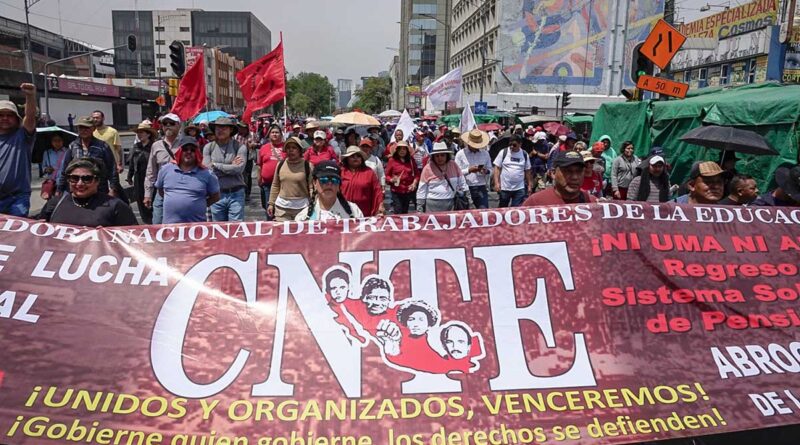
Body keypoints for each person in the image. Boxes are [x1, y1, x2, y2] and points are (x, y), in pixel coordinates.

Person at [40, 159, 137, 227]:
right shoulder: (55, 204)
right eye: (74, 178)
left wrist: (109, 236)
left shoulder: (115, 206)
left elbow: (134, 238)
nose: (80, 183)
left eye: (87, 179)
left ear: (97, 181)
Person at [154, 137, 220, 224]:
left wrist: (199, 204)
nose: (189, 152)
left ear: (197, 153)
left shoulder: (207, 174)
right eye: (185, 149)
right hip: (170, 227)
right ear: (179, 151)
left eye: (192, 150)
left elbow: (216, 196)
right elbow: (161, 191)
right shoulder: (165, 170)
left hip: (196, 228)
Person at [57, 116, 120, 199]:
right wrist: (59, 189)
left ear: (93, 128)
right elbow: (64, 169)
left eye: (87, 128)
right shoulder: (72, 146)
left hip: (99, 189)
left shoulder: (103, 146)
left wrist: (113, 189)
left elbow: (112, 169)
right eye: (81, 128)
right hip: (78, 189)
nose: (83, 130)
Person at [0, 84, 37, 217]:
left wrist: (30, 96)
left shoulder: (22, 136)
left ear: (17, 119)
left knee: (16, 235)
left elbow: (30, 117)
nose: (5, 118)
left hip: (17, 198)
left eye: (9, 115)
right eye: (1, 115)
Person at [204, 117, 247, 222]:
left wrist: (216, 165)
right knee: (218, 230)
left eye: (223, 128)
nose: (220, 130)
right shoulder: (208, 147)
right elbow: (207, 171)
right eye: (218, 127)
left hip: (236, 193)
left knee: (235, 229)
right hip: (216, 195)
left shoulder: (240, 147)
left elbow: (239, 169)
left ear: (231, 130)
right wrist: (230, 166)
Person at [295, 160, 364, 221]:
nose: (329, 184)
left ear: (339, 185)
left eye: (334, 180)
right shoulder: (302, 218)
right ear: (314, 183)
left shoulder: (354, 211)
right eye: (324, 180)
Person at [144, 113, 181, 224]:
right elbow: (151, 171)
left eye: (171, 123)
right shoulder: (156, 145)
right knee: (157, 226)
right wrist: (148, 194)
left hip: (181, 192)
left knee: (179, 228)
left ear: (178, 125)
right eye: (165, 124)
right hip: (162, 192)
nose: (168, 126)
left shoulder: (186, 144)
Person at [523, 151, 597, 206]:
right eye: (568, 171)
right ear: (553, 173)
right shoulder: (535, 203)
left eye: (579, 171)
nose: (575, 177)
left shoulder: (592, 203)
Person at [268, 137, 312, 222]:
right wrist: (271, 204)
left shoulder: (308, 166)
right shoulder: (280, 164)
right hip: (282, 209)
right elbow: (275, 185)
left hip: (302, 208)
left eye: (294, 148)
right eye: (288, 148)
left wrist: (313, 204)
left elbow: (311, 187)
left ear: (300, 150)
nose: (291, 150)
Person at [416, 142, 468, 212]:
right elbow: (422, 188)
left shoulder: (453, 165)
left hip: (451, 204)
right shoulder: (427, 168)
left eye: (442, 155)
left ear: (447, 155)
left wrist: (468, 197)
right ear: (433, 157)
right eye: (437, 156)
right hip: (432, 206)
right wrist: (420, 206)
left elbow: (462, 182)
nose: (440, 158)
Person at [126, 121, 157, 224]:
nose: (139, 135)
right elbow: (131, 162)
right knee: (140, 199)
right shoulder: (136, 147)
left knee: (152, 199)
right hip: (138, 177)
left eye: (142, 132)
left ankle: (154, 221)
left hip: (152, 177)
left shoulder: (154, 146)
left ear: (148, 134)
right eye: (138, 132)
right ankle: (146, 222)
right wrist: (129, 176)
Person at [340, 146, 384, 217]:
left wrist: (380, 205)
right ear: (347, 159)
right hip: (344, 210)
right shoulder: (341, 172)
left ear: (362, 159)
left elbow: (377, 190)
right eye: (352, 156)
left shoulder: (369, 172)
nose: (355, 158)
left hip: (364, 211)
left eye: (358, 156)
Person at [455, 129, 492, 209]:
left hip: (481, 186)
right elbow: (456, 173)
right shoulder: (460, 154)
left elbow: (490, 169)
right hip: (465, 187)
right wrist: (469, 170)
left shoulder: (485, 154)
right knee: (466, 213)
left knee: (483, 211)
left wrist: (486, 171)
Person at [494, 135, 533, 207]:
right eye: (510, 144)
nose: (512, 146)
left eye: (514, 145)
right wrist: (496, 183)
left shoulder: (524, 154)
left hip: (519, 188)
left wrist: (529, 185)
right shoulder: (503, 152)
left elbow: (527, 170)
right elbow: (497, 168)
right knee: (503, 208)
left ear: (520, 144)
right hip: (505, 188)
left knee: (516, 210)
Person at [257, 124, 285, 219]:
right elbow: (259, 166)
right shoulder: (264, 148)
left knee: (282, 209)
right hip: (267, 185)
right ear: (269, 135)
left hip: (283, 185)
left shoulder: (287, 147)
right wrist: (259, 179)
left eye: (277, 132)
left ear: (281, 135)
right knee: (269, 209)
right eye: (272, 132)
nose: (275, 134)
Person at [385, 141, 420, 214]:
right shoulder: (392, 160)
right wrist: (391, 180)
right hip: (396, 191)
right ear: (397, 150)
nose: (402, 151)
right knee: (398, 210)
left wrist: (414, 183)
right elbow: (386, 175)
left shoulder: (411, 160)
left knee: (405, 211)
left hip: (408, 191)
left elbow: (417, 174)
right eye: (400, 149)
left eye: (404, 149)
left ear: (407, 150)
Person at [91, 110, 123, 174]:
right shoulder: (90, 132)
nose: (95, 119)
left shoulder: (112, 131)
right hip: (95, 166)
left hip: (111, 165)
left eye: (97, 117)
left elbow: (119, 150)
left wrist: (119, 164)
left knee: (113, 183)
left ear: (103, 118)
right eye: (93, 118)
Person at [234, 121, 258, 201]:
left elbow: (255, 144)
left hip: (248, 157)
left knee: (247, 175)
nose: (240, 129)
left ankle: (247, 192)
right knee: (239, 174)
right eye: (239, 127)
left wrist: (252, 145)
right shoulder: (236, 136)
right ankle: (240, 191)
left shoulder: (251, 135)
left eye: (242, 127)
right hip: (238, 156)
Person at [40, 133, 68, 201]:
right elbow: (43, 167)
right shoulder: (47, 153)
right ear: (51, 142)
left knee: (62, 203)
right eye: (54, 140)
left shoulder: (68, 152)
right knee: (51, 204)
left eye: (59, 140)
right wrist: (46, 169)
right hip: (51, 183)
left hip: (64, 182)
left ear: (63, 141)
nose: (57, 143)